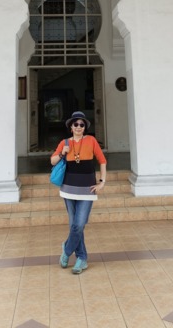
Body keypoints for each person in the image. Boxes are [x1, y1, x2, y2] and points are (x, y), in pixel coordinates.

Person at [51, 111, 107, 274]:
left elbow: (102, 160)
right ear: (71, 126)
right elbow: (52, 161)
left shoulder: (91, 141)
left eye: (82, 124)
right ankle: (82, 258)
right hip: (68, 189)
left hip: (87, 190)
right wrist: (62, 152)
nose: (78, 127)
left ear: (84, 127)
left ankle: (67, 249)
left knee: (79, 224)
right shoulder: (64, 142)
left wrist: (102, 182)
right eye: (75, 124)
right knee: (74, 225)